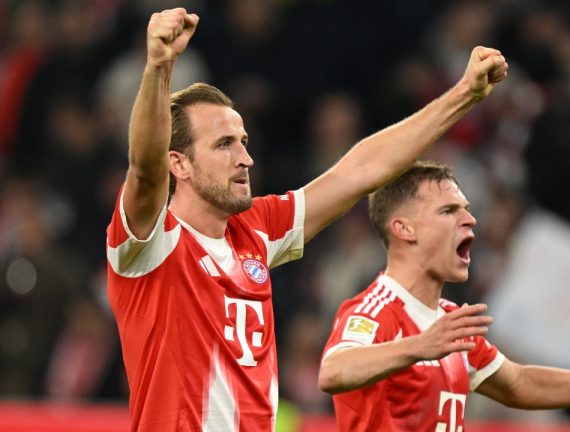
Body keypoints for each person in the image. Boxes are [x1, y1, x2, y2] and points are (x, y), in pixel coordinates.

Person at [105, 7, 508, 432]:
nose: (246, 159)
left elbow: (359, 171)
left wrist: (464, 93)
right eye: (224, 145)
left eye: (243, 142)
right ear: (179, 165)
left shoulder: (256, 231)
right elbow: (145, 170)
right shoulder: (150, 242)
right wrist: (160, 67)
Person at [318, 161, 570, 431]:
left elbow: (518, 383)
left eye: (467, 209)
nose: (469, 220)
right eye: (449, 211)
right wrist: (419, 345)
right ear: (404, 229)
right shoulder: (375, 309)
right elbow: (334, 370)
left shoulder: (450, 322)